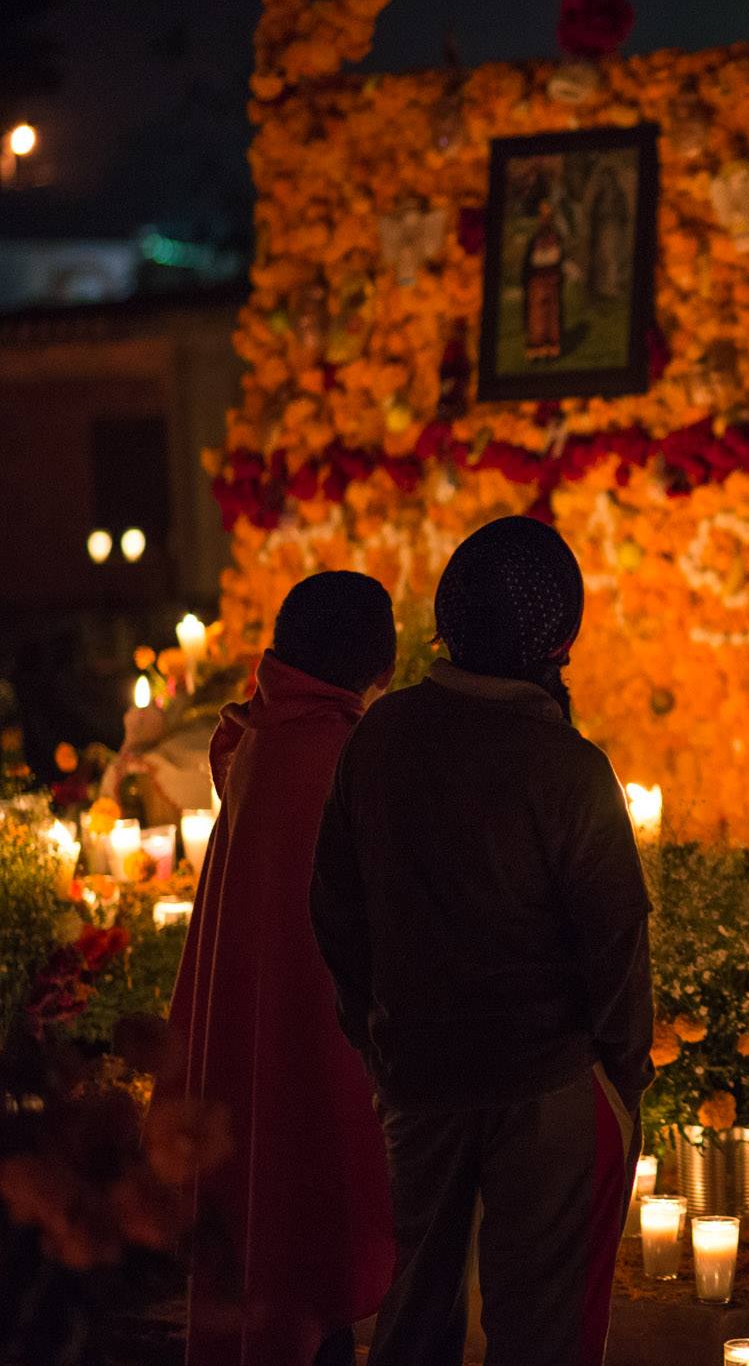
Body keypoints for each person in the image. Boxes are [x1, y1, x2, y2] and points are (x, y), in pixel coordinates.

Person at [311, 516, 652, 1366]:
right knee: (539, 1326)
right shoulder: (567, 767)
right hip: (546, 1084)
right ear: (560, 636)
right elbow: (616, 944)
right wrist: (619, 1072)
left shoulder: (380, 737)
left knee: (415, 1310)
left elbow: (335, 907)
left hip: (417, 1074)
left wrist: (376, 1030)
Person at [168, 570, 399, 1366]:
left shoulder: (261, 736)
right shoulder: (339, 755)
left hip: (263, 1035)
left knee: (273, 1236)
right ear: (381, 662)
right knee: (311, 1227)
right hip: (316, 1048)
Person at [523, 199, 566, 361]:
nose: (545, 220)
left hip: (552, 280)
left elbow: (558, 257)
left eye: (548, 217)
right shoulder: (535, 239)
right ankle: (536, 346)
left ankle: (551, 346)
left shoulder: (555, 238)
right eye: (543, 216)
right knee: (537, 314)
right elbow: (530, 261)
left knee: (552, 313)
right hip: (537, 281)